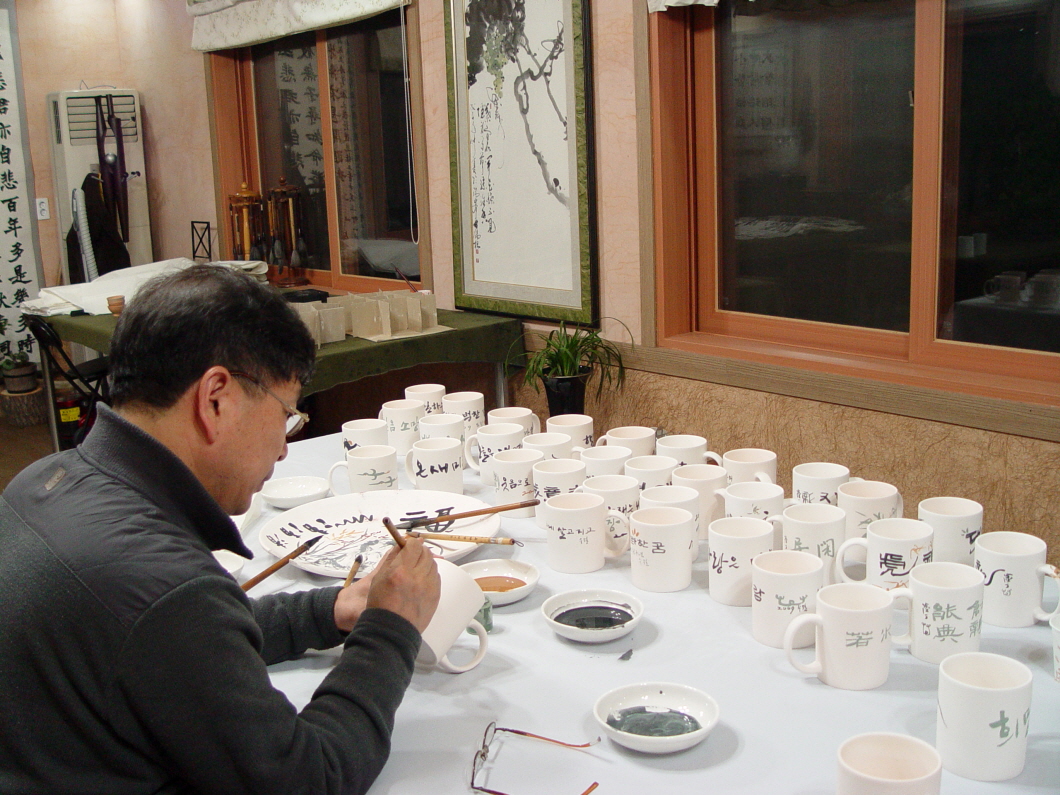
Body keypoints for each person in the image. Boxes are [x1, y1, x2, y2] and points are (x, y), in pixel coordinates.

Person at [0, 264, 440, 794]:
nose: (283, 449)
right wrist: (390, 631)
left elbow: (180, 643)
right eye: (287, 416)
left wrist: (328, 611)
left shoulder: (41, 482)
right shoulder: (167, 588)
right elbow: (309, 779)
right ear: (216, 399)